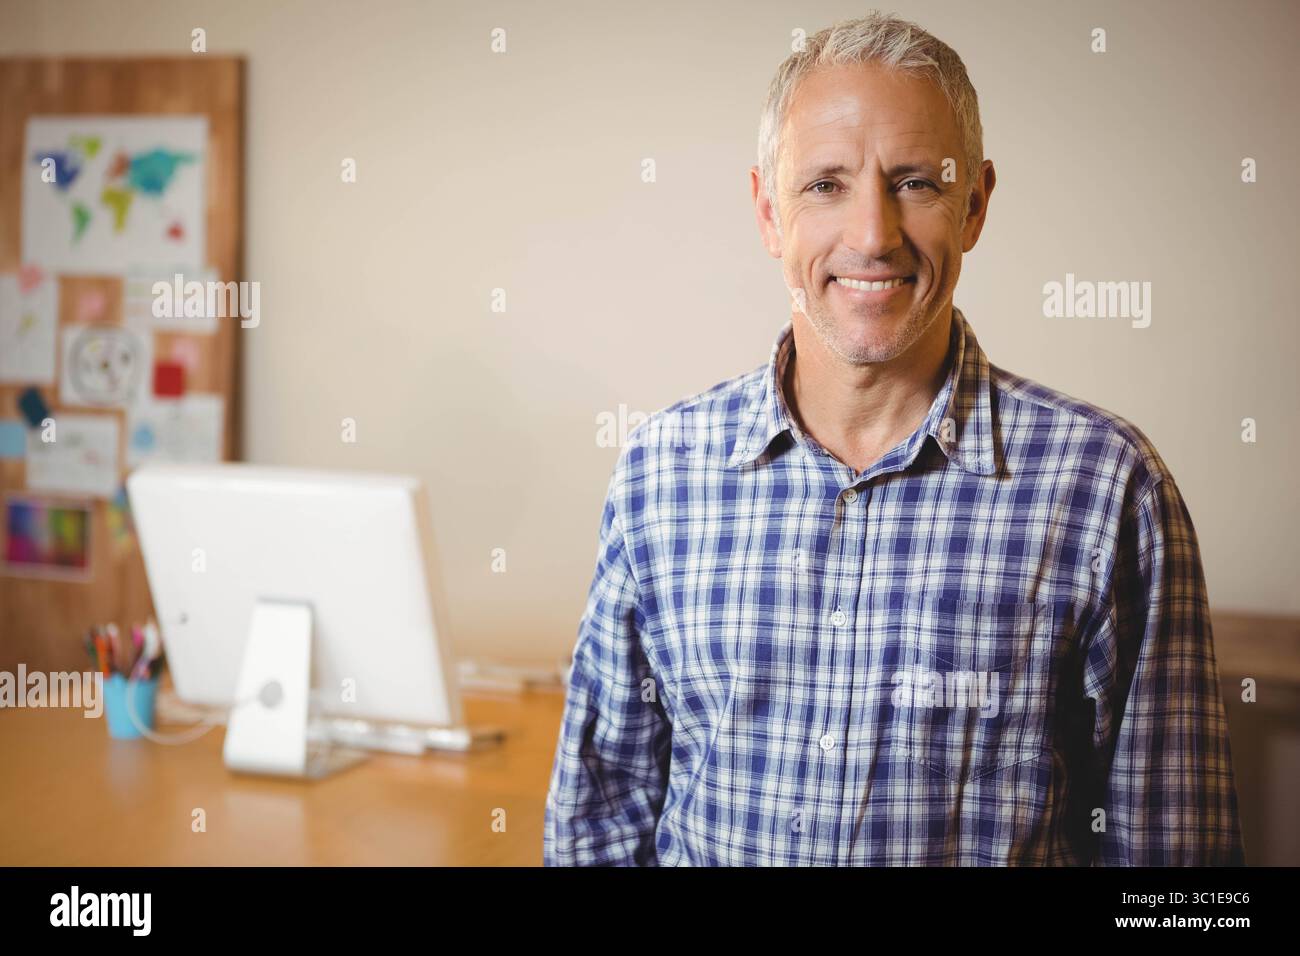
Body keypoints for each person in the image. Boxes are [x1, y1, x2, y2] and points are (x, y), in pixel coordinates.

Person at [544, 11, 1244, 866]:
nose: (872, 236)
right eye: (825, 185)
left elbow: (1182, 880)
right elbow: (597, 824)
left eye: (914, 181)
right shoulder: (661, 474)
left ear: (975, 203)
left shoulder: (1107, 489)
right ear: (769, 212)